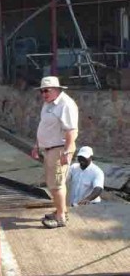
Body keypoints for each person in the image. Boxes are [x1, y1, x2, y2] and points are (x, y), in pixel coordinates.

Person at [31, 76, 79, 229]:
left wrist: (68, 151)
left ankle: (60, 217)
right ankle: (61, 210)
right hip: (49, 149)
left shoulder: (66, 105)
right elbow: (44, 126)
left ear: (57, 90)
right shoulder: (48, 104)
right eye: (41, 91)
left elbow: (72, 130)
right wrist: (37, 145)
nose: (43, 93)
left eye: (47, 90)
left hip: (59, 149)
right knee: (53, 184)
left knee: (56, 184)